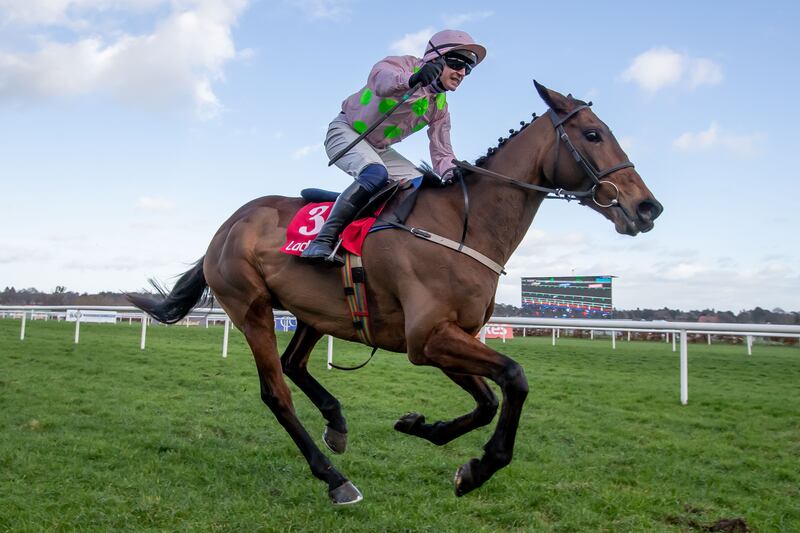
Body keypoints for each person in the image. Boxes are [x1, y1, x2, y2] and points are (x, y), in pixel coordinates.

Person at [300, 29, 487, 264]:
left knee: (419, 183)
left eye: (467, 69)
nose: (461, 72)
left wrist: (455, 174)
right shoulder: (404, 65)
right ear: (435, 58)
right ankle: (322, 241)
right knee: (376, 173)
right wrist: (412, 79)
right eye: (457, 63)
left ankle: (359, 212)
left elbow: (442, 152)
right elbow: (380, 80)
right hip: (347, 131)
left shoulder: (440, 108)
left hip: (379, 148)